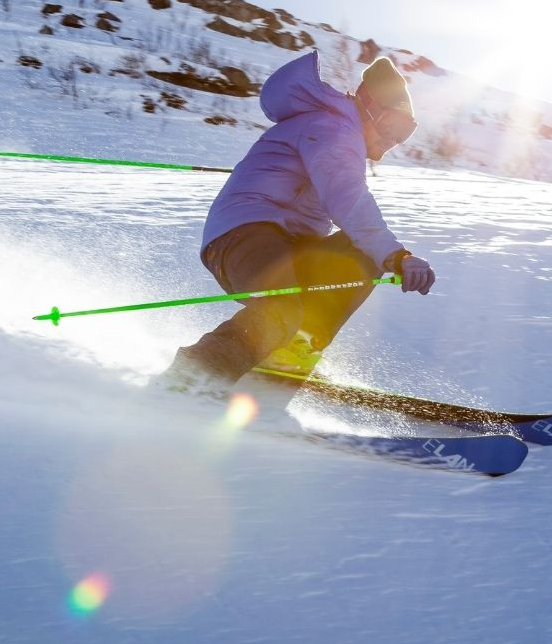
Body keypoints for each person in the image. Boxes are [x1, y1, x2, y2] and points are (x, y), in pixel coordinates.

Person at [164, 48, 435, 394]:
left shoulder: (336, 130)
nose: (390, 143)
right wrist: (398, 255)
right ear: (368, 105)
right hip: (243, 236)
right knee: (282, 306)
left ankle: (288, 357)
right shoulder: (334, 127)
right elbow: (347, 199)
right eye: (392, 127)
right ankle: (192, 378)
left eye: (404, 136)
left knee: (359, 251)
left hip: (286, 243)